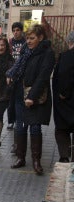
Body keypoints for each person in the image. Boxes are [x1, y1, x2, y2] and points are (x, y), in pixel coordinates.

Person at [6, 24, 55, 175]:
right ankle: (21, 158)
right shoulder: (26, 51)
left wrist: (32, 97)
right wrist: (11, 74)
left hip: (36, 96)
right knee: (20, 126)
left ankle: (36, 161)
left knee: (34, 127)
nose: (28, 41)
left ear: (40, 38)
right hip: (21, 94)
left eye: (32, 38)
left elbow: (43, 77)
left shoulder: (47, 53)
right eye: (27, 38)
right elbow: (18, 67)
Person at [52, 31, 74, 163]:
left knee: (62, 129)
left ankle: (65, 157)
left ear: (69, 41)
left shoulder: (67, 56)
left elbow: (64, 74)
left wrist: (63, 93)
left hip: (67, 101)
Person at [7, 22, 26, 141]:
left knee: (19, 101)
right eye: (14, 30)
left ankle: (19, 121)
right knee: (10, 101)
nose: (15, 32)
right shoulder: (10, 42)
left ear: (21, 31)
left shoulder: (25, 42)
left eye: (18, 30)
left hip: (21, 76)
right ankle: (10, 121)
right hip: (10, 75)